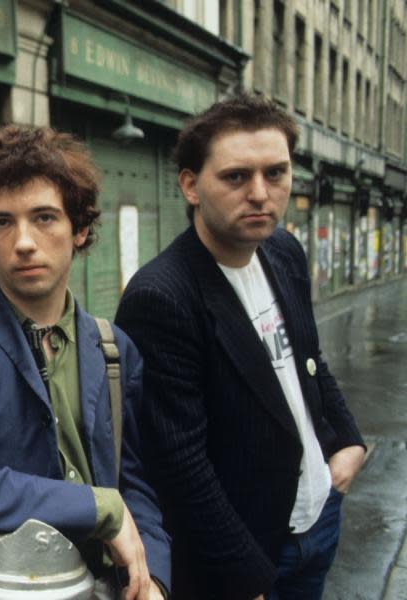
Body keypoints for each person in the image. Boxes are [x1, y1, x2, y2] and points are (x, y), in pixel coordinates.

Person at [115, 94, 365, 599]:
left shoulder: (283, 251)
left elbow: (308, 363)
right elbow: (181, 465)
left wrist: (347, 442)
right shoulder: (161, 297)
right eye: (236, 177)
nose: (260, 193)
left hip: (317, 518)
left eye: (276, 173)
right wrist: (243, 579)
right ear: (190, 184)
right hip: (247, 557)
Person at [0, 125, 170, 600]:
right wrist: (98, 507)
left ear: (81, 228)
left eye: (45, 218)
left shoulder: (114, 349)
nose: (24, 241)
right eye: (2, 222)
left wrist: (151, 576)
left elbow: (136, 481)